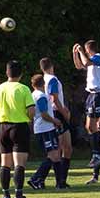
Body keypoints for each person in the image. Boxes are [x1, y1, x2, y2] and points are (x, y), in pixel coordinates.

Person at [0, 60, 36, 198]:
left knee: (5, 162)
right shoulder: (23, 89)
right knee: (19, 163)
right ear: (21, 74)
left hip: (3, 127)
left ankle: (5, 194)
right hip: (19, 126)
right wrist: (30, 119)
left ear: (6, 72)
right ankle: (19, 193)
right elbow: (31, 110)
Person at [35, 57, 74, 188]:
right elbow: (54, 98)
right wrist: (64, 112)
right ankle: (46, 179)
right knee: (58, 149)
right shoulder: (52, 79)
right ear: (52, 66)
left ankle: (61, 180)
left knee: (65, 148)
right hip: (57, 114)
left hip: (55, 113)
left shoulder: (44, 79)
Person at [27, 74, 64, 190]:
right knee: (53, 156)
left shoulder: (32, 95)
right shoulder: (41, 96)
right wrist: (55, 121)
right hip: (45, 129)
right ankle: (36, 178)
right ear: (43, 83)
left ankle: (59, 183)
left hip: (42, 128)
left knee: (55, 155)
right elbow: (43, 114)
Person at [73, 40, 100, 165]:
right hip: (91, 94)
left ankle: (98, 154)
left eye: (85, 50)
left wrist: (81, 52)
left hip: (98, 94)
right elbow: (79, 66)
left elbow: (86, 62)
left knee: (93, 126)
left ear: (88, 49)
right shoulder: (91, 61)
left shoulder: (98, 57)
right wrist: (75, 54)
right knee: (88, 127)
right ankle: (96, 153)